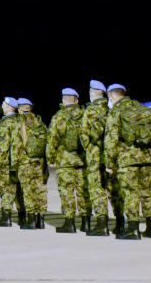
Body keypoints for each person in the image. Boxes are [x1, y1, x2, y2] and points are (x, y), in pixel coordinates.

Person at [105, 83, 151, 240]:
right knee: (147, 192)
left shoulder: (116, 111)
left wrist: (110, 163)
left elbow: (111, 140)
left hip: (127, 159)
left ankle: (133, 228)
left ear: (112, 96)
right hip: (146, 157)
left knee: (130, 192)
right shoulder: (141, 108)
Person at [47, 88, 88, 233]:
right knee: (83, 192)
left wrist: (51, 158)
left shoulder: (59, 116)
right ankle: (86, 223)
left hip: (64, 161)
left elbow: (52, 139)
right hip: (83, 161)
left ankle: (69, 223)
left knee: (67, 192)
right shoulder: (85, 115)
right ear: (77, 101)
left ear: (63, 101)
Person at [81, 80, 111, 236]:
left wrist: (89, 148)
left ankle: (101, 224)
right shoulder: (111, 108)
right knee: (114, 190)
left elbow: (84, 135)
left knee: (97, 190)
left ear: (92, 93)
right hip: (112, 155)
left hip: (95, 156)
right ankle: (121, 223)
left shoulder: (90, 110)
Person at [13, 98, 48, 229]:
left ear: (20, 109)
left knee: (28, 191)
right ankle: (41, 220)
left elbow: (16, 147)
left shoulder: (20, 124)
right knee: (40, 190)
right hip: (40, 162)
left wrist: (13, 166)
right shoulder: (40, 123)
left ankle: (31, 220)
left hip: (25, 163)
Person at [0, 97, 25, 227]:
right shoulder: (21, 121)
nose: (1, 106)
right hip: (22, 163)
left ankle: (6, 218)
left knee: (6, 189)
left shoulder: (5, 124)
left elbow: (2, 147)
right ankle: (23, 217)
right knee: (20, 190)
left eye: (3, 104)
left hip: (8, 163)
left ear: (8, 107)